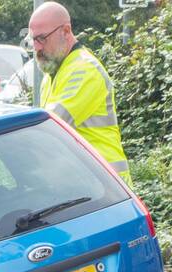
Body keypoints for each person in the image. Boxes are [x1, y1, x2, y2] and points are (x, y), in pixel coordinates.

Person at [28, 1, 132, 185]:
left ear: (66, 31)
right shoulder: (52, 73)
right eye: (32, 40)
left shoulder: (83, 70)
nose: (37, 47)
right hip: (88, 186)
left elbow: (49, 129)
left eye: (42, 38)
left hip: (109, 190)